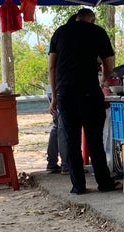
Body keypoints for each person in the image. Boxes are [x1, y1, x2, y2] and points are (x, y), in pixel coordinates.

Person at [47, 8, 120, 194]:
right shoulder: (97, 32)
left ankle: (78, 186)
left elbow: (51, 67)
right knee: (94, 139)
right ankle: (104, 183)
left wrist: (55, 96)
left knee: (71, 140)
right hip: (88, 91)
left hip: (65, 93)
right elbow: (109, 63)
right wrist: (104, 80)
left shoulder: (60, 32)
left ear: (77, 18)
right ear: (92, 19)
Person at [45, 14, 78, 174]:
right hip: (58, 88)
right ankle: (66, 164)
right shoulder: (69, 40)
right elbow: (52, 68)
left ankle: (52, 162)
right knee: (64, 126)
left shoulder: (60, 37)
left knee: (58, 125)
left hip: (54, 88)